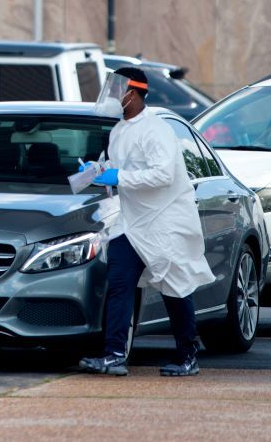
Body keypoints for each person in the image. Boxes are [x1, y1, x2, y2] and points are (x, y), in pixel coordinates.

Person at [79, 67, 216, 377]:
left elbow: (163, 174)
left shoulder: (156, 130)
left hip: (164, 221)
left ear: (135, 92)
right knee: (119, 285)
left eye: (118, 89)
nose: (113, 96)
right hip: (131, 222)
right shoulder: (119, 130)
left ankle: (187, 355)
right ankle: (114, 355)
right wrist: (97, 171)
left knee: (174, 286)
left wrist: (120, 176)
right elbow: (119, 166)